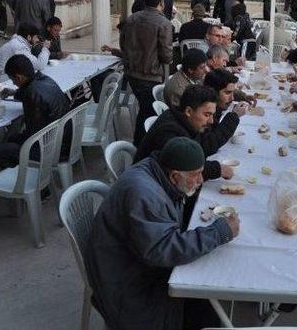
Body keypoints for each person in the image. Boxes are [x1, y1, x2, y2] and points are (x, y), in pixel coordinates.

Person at [84, 137, 239, 330]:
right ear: (175, 176)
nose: (200, 180)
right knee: (206, 305)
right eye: (196, 175)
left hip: (132, 262)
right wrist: (220, 232)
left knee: (209, 296)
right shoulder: (144, 194)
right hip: (127, 284)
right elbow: (162, 249)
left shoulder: (156, 170)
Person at [135, 85, 236, 181]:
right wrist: (217, 169)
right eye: (206, 115)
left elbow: (204, 146)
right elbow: (183, 169)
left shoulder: (188, 121)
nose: (211, 121)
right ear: (188, 111)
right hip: (149, 185)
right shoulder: (169, 131)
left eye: (212, 115)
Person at [0, 54, 70, 168]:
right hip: (64, 140)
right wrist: (14, 92)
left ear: (19, 77)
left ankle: (22, 177)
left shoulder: (32, 93)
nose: (14, 84)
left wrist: (14, 138)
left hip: (49, 149)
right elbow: (32, 91)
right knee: (12, 138)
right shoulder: (45, 79)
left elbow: (33, 133)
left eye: (13, 80)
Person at [120, 0, 174, 145]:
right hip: (151, 75)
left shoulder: (131, 19)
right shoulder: (163, 22)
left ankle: (142, 145)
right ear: (161, 3)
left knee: (145, 109)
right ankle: (140, 146)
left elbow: (123, 45)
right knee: (148, 112)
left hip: (131, 74)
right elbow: (166, 54)